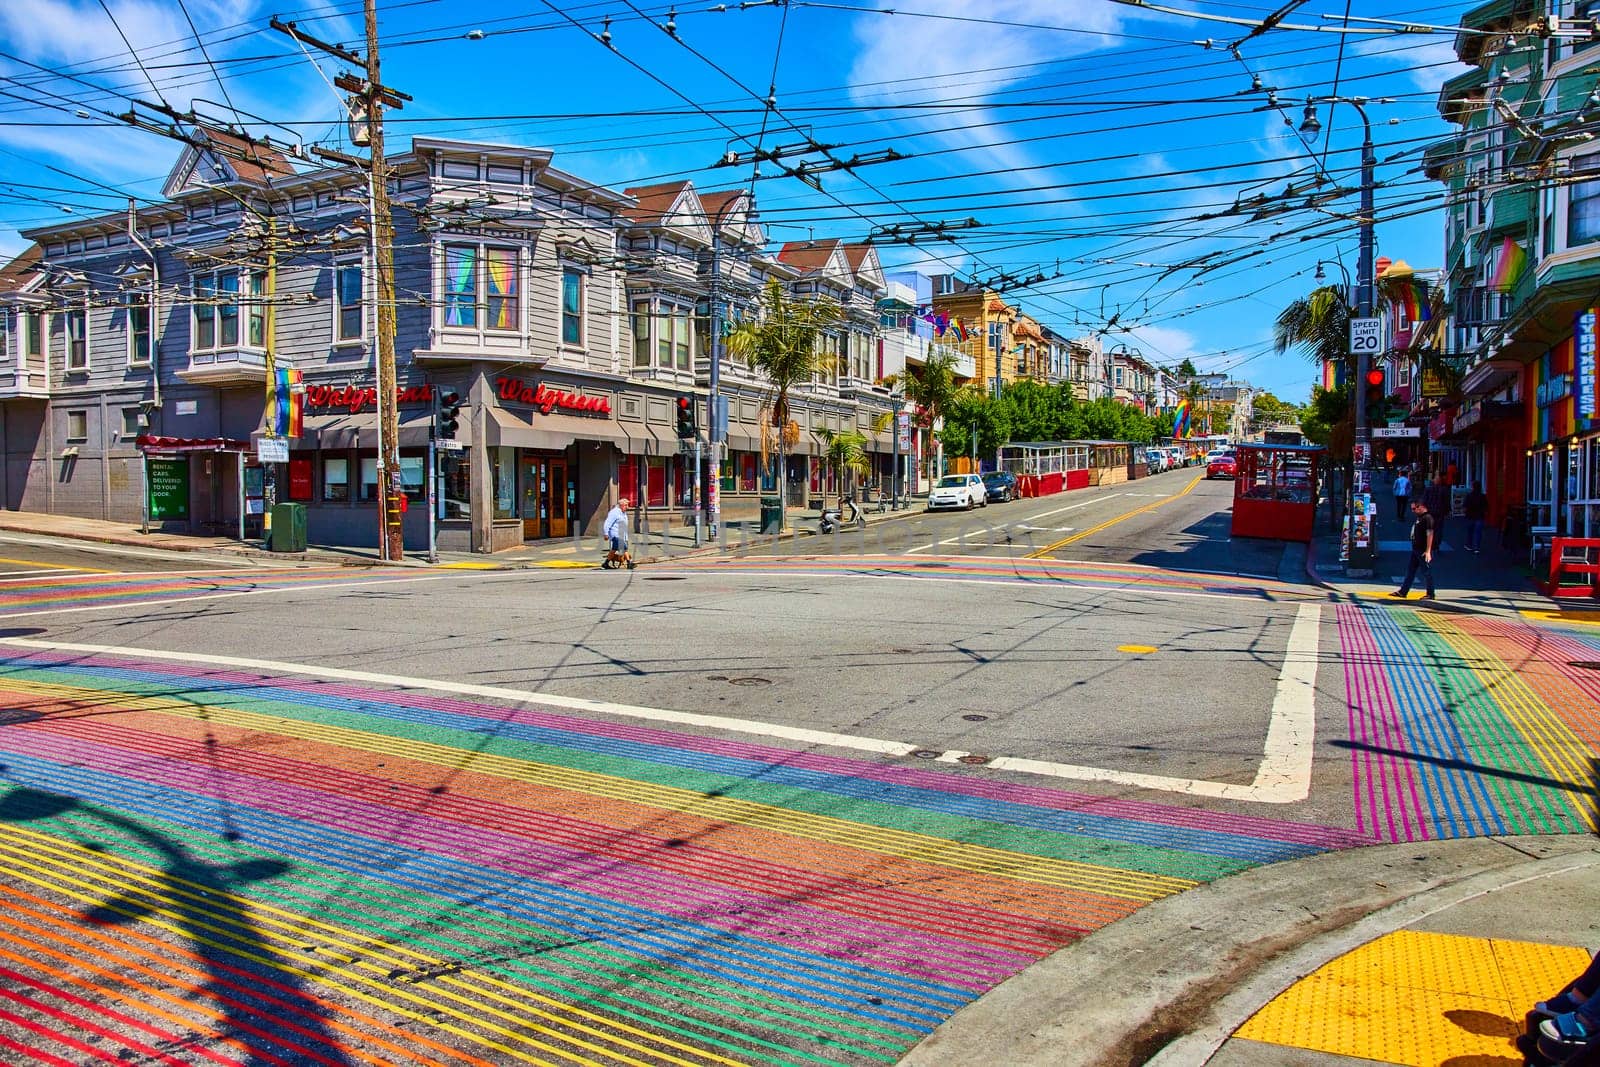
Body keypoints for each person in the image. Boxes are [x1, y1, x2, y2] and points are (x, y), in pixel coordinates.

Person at [1393, 499, 1436, 600]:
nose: (1412, 511)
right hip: (1416, 549)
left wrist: (1428, 550)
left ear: (1420, 507)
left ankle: (1430, 593)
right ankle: (1403, 591)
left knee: (1426, 571)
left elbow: (1430, 534)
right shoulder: (1420, 517)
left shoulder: (1427, 518)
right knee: (1411, 570)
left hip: (1422, 550)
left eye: (1414, 508)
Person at [602, 496, 634, 570]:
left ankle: (605, 563)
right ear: (621, 505)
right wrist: (606, 533)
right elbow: (607, 523)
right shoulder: (614, 512)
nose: (627, 507)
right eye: (626, 505)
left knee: (614, 549)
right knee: (624, 548)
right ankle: (629, 563)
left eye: (627, 505)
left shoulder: (623, 513)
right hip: (615, 534)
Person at [1422, 472, 1451, 552]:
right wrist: (1447, 511)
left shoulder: (1428, 489)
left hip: (1430, 512)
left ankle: (1429, 543)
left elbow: (1424, 501)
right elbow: (1446, 502)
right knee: (1438, 529)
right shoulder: (1444, 490)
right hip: (1439, 512)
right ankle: (1436, 544)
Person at [1463, 481, 1488, 553]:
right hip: (1479, 516)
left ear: (1473, 487)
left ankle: (1469, 545)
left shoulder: (1469, 496)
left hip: (1470, 516)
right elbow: (1486, 507)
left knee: (1470, 531)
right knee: (1478, 532)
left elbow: (1465, 506)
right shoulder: (1483, 496)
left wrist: (1465, 512)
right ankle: (1476, 547)